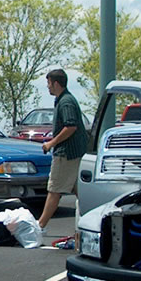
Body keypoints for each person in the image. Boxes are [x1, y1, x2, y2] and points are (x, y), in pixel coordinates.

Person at [37, 69, 88, 230]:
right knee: (80, 191)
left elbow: (70, 127)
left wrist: (51, 143)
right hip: (75, 154)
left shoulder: (66, 102)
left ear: (56, 83)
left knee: (54, 190)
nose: (48, 86)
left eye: (49, 83)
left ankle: (39, 226)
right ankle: (91, 222)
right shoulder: (64, 100)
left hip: (66, 154)